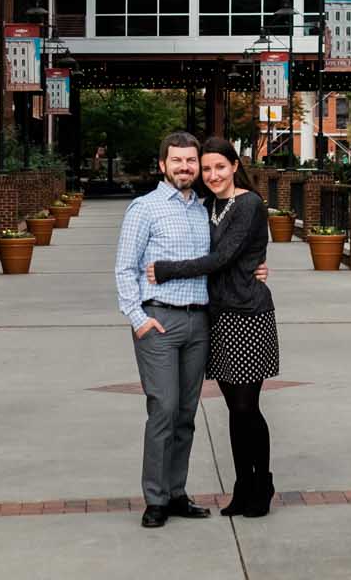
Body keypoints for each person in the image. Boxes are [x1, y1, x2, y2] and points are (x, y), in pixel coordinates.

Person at [147, 136, 280, 517]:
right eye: (206, 169)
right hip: (218, 317)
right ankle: (242, 488)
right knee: (233, 410)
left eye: (220, 167)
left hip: (248, 315)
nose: (212, 174)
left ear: (235, 166)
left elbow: (221, 258)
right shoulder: (208, 206)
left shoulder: (249, 204)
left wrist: (167, 270)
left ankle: (262, 484)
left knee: (246, 407)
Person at [114, 130, 214, 527]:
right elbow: (125, 268)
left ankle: (176, 493)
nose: (185, 167)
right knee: (163, 410)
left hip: (199, 321)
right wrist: (139, 320)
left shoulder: (206, 210)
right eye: (178, 161)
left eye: (191, 161)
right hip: (160, 320)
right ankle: (155, 498)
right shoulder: (144, 209)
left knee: (187, 413)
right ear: (163, 165)